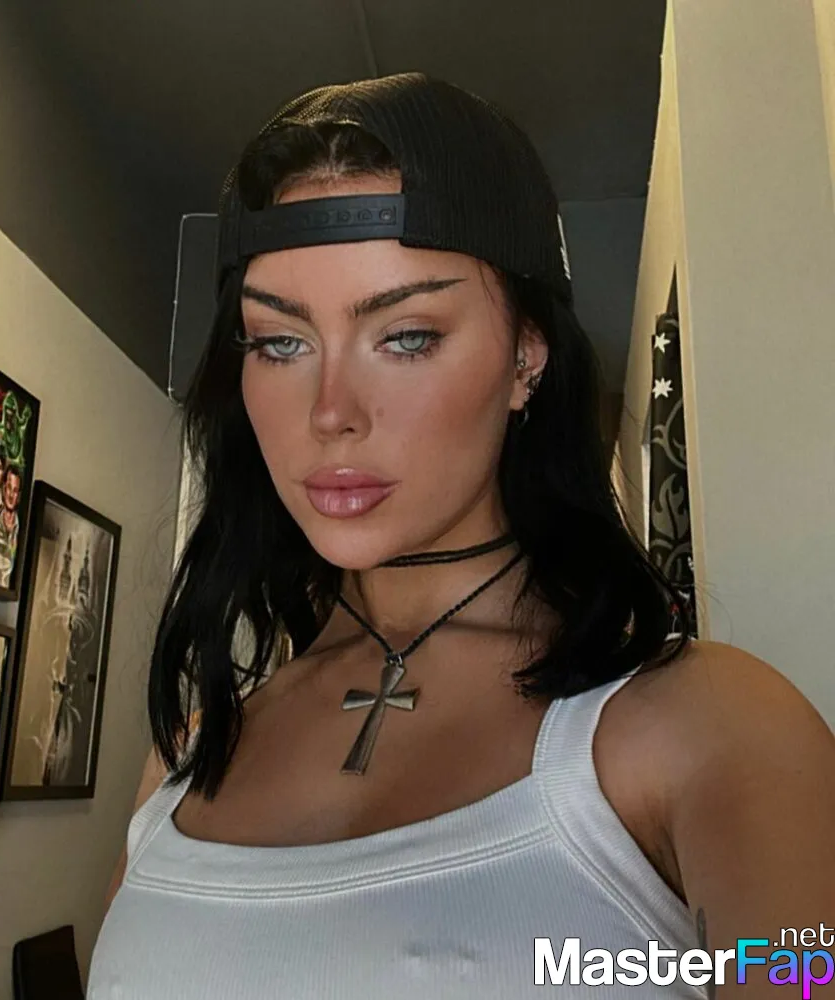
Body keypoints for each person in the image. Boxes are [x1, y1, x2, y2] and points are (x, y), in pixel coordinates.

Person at [89, 74, 835, 999]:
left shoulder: (712, 729)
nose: (330, 413)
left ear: (526, 356)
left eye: (405, 336)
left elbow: (803, 970)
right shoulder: (186, 753)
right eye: (280, 343)